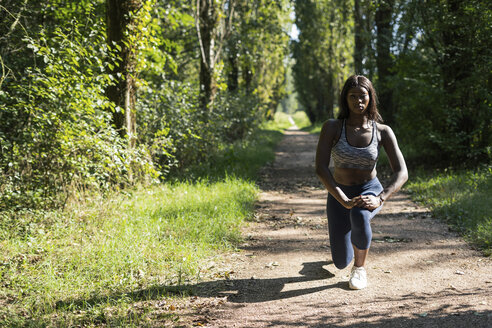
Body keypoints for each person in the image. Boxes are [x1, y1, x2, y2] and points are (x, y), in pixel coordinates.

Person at [315, 75, 408, 290]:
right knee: (340, 261)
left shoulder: (383, 131)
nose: (358, 101)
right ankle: (351, 251)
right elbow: (321, 168)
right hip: (340, 192)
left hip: (370, 190)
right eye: (353, 96)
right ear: (345, 100)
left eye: (363, 96)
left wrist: (380, 198)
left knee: (359, 213)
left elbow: (402, 172)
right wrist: (344, 199)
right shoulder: (332, 128)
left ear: (370, 98)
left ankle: (359, 269)